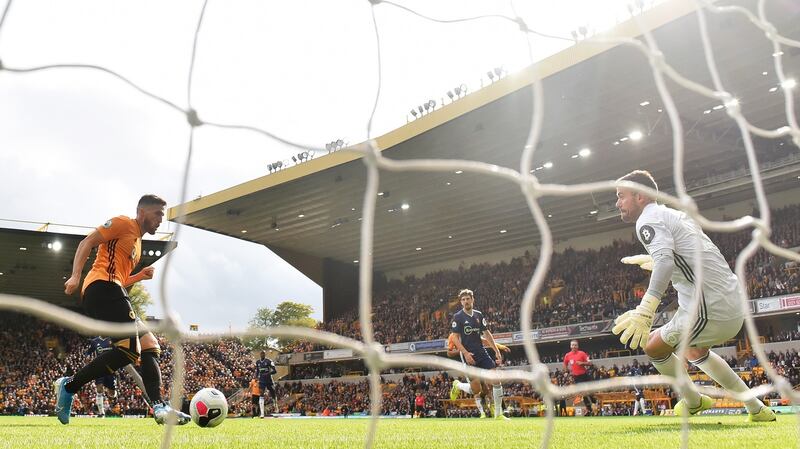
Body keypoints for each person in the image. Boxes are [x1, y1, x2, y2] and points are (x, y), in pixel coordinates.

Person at [612, 170, 775, 421]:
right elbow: (690, 257)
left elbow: (667, 261)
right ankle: (757, 409)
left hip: (709, 306)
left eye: (621, 196)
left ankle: (694, 402)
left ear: (640, 196)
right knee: (695, 352)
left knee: (653, 346)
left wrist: (646, 310)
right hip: (726, 300)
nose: (617, 203)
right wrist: (658, 261)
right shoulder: (675, 215)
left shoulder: (647, 220)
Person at [55, 194, 190, 425]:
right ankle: (69, 386)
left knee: (149, 345)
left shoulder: (137, 244)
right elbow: (86, 242)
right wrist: (76, 276)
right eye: (157, 213)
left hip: (113, 289)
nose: (160, 220)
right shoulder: (122, 223)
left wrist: (139, 275)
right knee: (130, 350)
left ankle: (159, 406)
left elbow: (120, 278)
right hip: (100, 287)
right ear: (142, 212)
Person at [447, 289, 507, 419]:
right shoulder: (458, 317)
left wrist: (496, 351)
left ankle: (499, 414)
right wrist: (465, 353)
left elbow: (486, 334)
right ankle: (458, 385)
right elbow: (455, 338)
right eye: (463, 299)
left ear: (472, 300)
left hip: (482, 353)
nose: (466, 301)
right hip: (469, 355)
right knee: (476, 390)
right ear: (461, 302)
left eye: (468, 298)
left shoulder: (479, 315)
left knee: (496, 381)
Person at [563, 340, 597, 416]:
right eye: (572, 345)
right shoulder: (567, 355)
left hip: (585, 375)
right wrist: (566, 371)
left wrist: (582, 363)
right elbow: (565, 363)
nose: (574, 346)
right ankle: (589, 409)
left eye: (575, 345)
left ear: (577, 346)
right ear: (570, 346)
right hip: (576, 377)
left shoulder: (582, 353)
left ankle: (594, 404)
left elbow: (590, 363)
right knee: (583, 392)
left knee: (590, 391)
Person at [256, 350, 278, 416]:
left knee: (273, 393)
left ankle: (275, 405)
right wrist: (256, 377)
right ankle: (262, 413)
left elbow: (275, 371)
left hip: (269, 380)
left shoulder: (269, 361)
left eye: (263, 354)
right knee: (261, 394)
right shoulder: (257, 362)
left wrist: (268, 373)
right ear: (260, 354)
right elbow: (257, 371)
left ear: (265, 354)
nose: (262, 355)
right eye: (261, 353)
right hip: (262, 381)